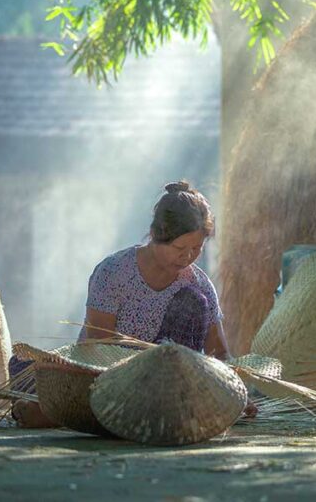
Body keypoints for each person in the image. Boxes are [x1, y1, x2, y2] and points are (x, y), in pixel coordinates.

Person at [12, 180, 231, 426]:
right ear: (157, 235)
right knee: (23, 365)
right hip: (102, 377)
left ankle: (62, 415)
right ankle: (76, 411)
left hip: (166, 389)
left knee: (193, 302)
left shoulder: (198, 284)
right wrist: (131, 378)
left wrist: (230, 396)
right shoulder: (114, 271)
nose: (188, 256)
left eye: (197, 248)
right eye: (180, 247)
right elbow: (97, 345)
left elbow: (219, 353)